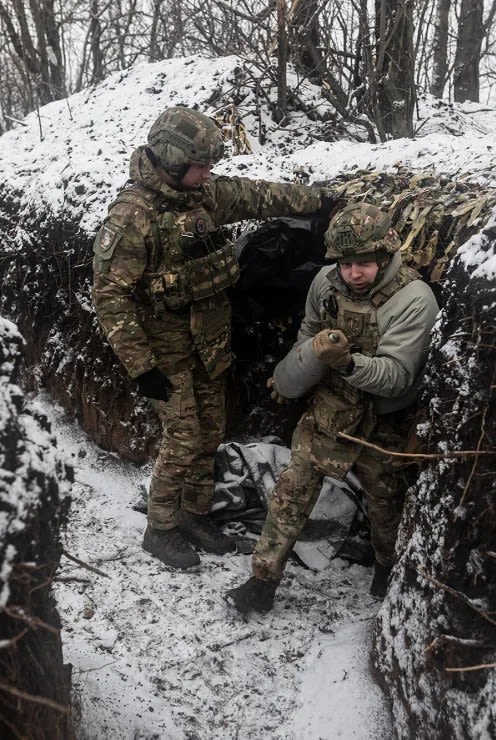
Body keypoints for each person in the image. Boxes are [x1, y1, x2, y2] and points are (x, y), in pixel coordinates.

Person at [92, 106, 333, 569]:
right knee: (183, 439)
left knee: (210, 434)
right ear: (171, 160)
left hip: (208, 344)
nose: (208, 174)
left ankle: (195, 515)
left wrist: (320, 201)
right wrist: (141, 368)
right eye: (200, 165)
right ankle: (160, 527)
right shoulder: (132, 219)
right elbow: (111, 299)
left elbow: (260, 196)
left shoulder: (203, 197)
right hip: (166, 353)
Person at [226, 202, 439, 613]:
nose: (353, 274)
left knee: (386, 505)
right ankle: (261, 580)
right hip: (331, 408)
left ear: (385, 255)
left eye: (363, 263)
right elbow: (307, 333)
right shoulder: (326, 283)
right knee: (291, 492)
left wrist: (345, 362)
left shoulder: (415, 299)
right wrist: (298, 368)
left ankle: (385, 567)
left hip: (383, 420)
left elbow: (398, 376)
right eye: (345, 263)